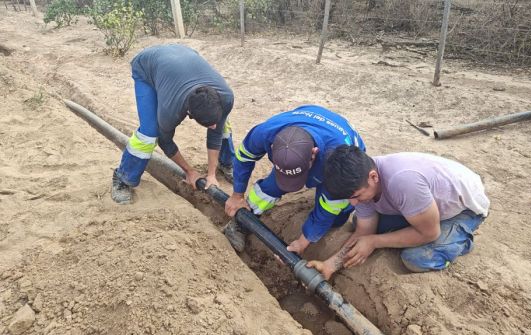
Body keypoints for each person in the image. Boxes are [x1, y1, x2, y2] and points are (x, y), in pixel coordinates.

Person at [308, 145, 490, 278]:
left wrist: (375, 242)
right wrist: (331, 265)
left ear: (373, 177)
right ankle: (419, 219)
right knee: (359, 222)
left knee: (416, 259)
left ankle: (460, 239)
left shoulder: (403, 182)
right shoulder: (359, 182)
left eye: (356, 196)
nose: (353, 202)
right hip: (422, 204)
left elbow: (430, 233)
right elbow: (364, 231)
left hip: (464, 209)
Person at [225, 105, 366, 254]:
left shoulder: (336, 158)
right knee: (271, 187)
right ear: (272, 147)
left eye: (298, 175)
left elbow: (330, 208)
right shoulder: (266, 132)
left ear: (313, 153)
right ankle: (241, 222)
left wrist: (303, 242)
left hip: (343, 157)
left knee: (337, 213)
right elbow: (243, 157)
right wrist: (237, 195)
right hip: (309, 128)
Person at [111, 44, 235, 204]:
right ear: (189, 115)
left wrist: (211, 175)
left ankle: (225, 163)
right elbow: (165, 141)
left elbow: (216, 132)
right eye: (207, 124)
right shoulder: (171, 111)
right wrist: (189, 171)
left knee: (222, 126)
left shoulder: (226, 97)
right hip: (147, 66)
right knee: (149, 134)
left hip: (183, 54)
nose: (212, 127)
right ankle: (123, 178)